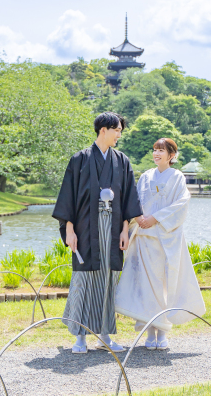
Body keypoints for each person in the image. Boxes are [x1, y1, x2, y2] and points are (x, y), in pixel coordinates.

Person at [52, 112, 143, 354]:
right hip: (85, 228)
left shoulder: (122, 161)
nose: (119, 135)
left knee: (109, 280)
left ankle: (104, 336)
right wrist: (69, 230)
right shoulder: (79, 159)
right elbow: (68, 197)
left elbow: (128, 197)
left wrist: (125, 229)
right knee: (83, 280)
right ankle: (80, 337)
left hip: (113, 229)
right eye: (117, 130)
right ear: (104, 129)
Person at [115, 138, 205, 350]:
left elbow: (181, 204)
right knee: (146, 286)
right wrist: (138, 217)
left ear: (172, 155)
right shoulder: (146, 176)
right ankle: (149, 332)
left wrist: (155, 218)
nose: (156, 154)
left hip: (165, 239)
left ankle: (162, 331)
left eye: (161, 150)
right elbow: (134, 200)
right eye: (155, 150)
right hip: (144, 237)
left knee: (165, 284)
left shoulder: (177, 177)